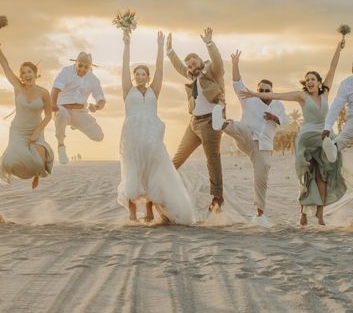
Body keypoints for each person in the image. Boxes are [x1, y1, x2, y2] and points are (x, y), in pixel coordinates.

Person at [242, 37, 353, 226]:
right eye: (307, 80)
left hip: (324, 136)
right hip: (307, 140)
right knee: (306, 176)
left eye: (312, 79)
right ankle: (303, 214)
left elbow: (332, 69)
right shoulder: (301, 96)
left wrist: (338, 50)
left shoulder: (325, 93)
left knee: (322, 176)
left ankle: (320, 214)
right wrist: (255, 94)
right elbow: (277, 95)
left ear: (319, 83)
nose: (309, 82)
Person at [117, 30, 195, 224]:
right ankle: (133, 214)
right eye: (138, 74)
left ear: (148, 76)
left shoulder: (154, 90)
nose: (140, 76)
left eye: (144, 74)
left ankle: (151, 211)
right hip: (132, 136)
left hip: (152, 137)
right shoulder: (128, 90)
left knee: (153, 171)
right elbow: (124, 67)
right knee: (132, 171)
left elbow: (160, 70)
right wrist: (127, 43)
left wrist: (160, 48)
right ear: (134, 77)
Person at [222, 50, 288, 227]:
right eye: (261, 90)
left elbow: (287, 121)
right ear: (257, 90)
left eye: (267, 91)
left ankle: (260, 215)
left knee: (261, 179)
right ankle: (222, 124)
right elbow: (237, 83)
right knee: (241, 127)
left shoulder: (278, 105)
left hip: (264, 147)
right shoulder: (250, 99)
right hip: (247, 139)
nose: (264, 93)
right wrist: (235, 64)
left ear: (272, 92)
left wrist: (275, 118)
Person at [167, 28, 226, 212]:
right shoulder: (192, 76)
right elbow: (179, 66)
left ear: (201, 60)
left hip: (210, 123)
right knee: (177, 158)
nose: (192, 67)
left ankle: (217, 199)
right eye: (190, 66)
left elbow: (218, 61)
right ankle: (159, 187)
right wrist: (169, 51)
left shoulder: (212, 72)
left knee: (212, 160)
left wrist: (209, 44)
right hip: (194, 123)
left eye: (194, 63)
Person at [0, 33, 54, 189]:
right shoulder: (18, 88)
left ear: (34, 73)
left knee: (38, 162)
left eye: (29, 72)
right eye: (23, 73)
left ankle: (37, 176)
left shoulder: (44, 92)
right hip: (18, 130)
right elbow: (6, 67)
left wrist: (37, 132)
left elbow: (49, 115)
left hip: (36, 129)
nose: (26, 75)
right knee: (12, 161)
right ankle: (1, 162)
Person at [51, 52, 106, 164]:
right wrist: (53, 105)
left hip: (79, 111)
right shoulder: (66, 71)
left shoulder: (93, 79)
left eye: (86, 67)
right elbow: (56, 88)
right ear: (76, 63)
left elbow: (101, 99)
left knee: (99, 136)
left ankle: (76, 124)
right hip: (61, 108)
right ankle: (61, 146)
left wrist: (97, 106)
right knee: (63, 114)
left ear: (89, 67)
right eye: (80, 65)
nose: (82, 69)